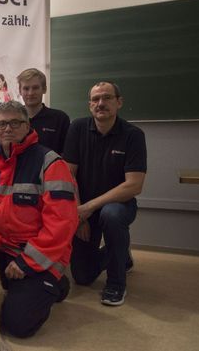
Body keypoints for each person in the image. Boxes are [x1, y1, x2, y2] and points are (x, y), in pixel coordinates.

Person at [0, 100, 77, 338]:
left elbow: (62, 225)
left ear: (27, 126)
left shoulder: (51, 163)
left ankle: (55, 284)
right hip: (0, 250)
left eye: (15, 122)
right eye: (1, 124)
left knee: (17, 324)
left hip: (40, 255)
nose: (7, 128)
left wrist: (27, 263)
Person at [63, 81, 147, 306]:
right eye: (95, 99)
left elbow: (133, 185)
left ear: (119, 102)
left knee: (111, 215)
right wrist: (79, 215)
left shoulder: (133, 135)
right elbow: (68, 176)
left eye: (107, 98)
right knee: (82, 276)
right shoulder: (77, 128)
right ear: (90, 105)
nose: (101, 103)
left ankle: (116, 284)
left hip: (118, 206)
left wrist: (88, 208)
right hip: (83, 207)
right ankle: (119, 253)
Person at [18, 68, 70, 154]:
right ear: (20, 91)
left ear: (44, 89)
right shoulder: (13, 120)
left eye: (35, 88)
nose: (30, 93)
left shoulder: (60, 119)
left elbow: (67, 155)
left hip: (51, 167)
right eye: (26, 88)